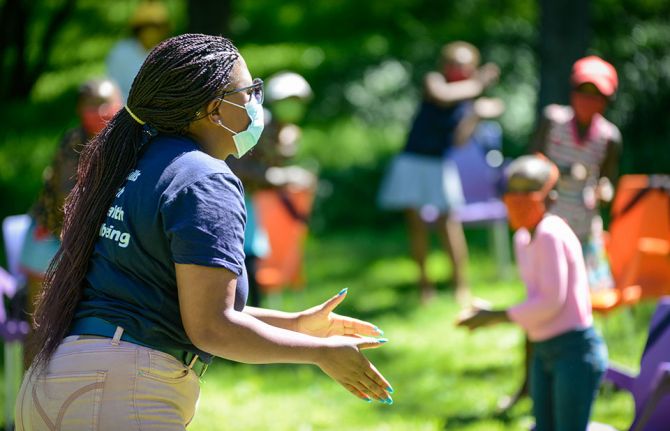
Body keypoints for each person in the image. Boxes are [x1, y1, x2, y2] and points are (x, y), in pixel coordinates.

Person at [16, 34, 392, 430]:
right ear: (214, 109)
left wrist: (297, 324)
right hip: (117, 393)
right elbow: (212, 327)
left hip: (53, 383)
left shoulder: (131, 161)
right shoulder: (204, 178)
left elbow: (185, 304)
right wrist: (320, 352)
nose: (256, 105)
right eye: (249, 92)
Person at [457, 154, 608, 431]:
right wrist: (492, 312)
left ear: (549, 197)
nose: (517, 201)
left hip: (573, 350)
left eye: (526, 193)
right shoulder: (523, 238)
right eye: (512, 193)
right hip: (544, 350)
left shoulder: (551, 232)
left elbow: (551, 301)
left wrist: (496, 315)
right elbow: (537, 299)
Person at [378, 41, 499, 304]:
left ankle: (461, 285)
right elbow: (443, 95)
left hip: (439, 164)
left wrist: (477, 115)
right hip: (412, 161)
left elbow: (459, 141)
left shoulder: (467, 101)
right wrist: (480, 84)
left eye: (464, 65)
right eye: (454, 63)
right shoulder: (434, 82)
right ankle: (424, 285)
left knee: (449, 225)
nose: (458, 69)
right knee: (417, 227)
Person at [18, 78, 122, 364]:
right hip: (50, 238)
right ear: (79, 108)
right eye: (92, 104)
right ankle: (30, 395)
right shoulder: (74, 141)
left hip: (87, 242)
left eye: (106, 102)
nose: (101, 110)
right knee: (39, 322)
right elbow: (66, 202)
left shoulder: (122, 141)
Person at [226, 71, 317, 306]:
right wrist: (282, 177)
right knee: (245, 260)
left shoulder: (284, 130)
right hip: (235, 198)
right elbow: (239, 167)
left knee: (255, 257)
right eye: (287, 102)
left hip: (255, 202)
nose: (292, 107)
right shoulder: (259, 123)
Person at [532, 55, 621, 292]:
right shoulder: (552, 120)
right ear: (572, 94)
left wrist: (606, 189)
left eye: (595, 96)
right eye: (583, 93)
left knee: (592, 290)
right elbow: (531, 163)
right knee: (550, 288)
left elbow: (607, 177)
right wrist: (564, 170)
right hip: (549, 219)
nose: (587, 101)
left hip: (586, 224)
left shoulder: (609, 136)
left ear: (605, 101)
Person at [106, 0, 170, 101]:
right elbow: (113, 88)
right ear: (137, 29)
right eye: (145, 27)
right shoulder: (120, 52)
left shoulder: (171, 54)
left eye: (156, 27)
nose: (150, 33)